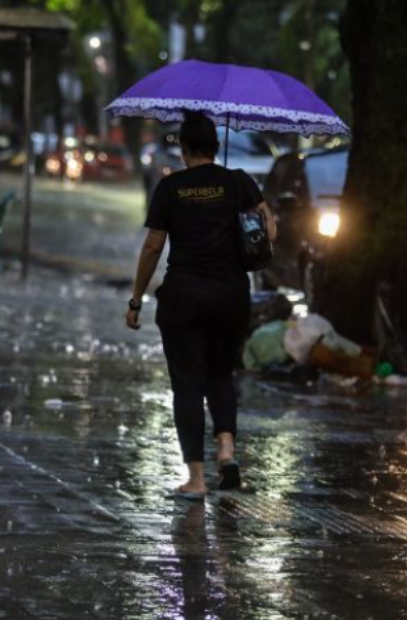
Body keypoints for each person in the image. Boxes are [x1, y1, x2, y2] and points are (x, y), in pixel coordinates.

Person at [125, 111, 276, 500]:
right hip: (231, 296)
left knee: (188, 385)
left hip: (185, 298)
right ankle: (227, 454)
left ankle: (196, 479)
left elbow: (153, 246)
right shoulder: (238, 181)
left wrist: (136, 298)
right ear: (217, 145)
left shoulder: (171, 187)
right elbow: (269, 232)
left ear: (183, 147)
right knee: (221, 374)